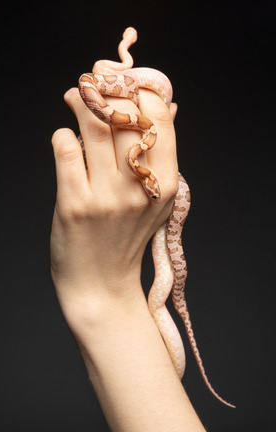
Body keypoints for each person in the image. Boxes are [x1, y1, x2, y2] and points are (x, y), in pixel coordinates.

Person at [50, 85, 206, 432]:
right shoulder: (139, 158)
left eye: (152, 190)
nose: (153, 193)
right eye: (151, 188)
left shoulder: (145, 163)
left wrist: (106, 290)